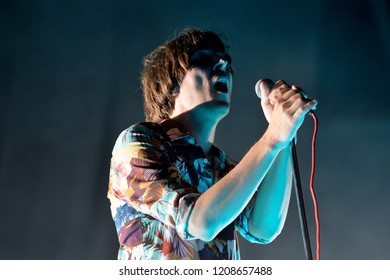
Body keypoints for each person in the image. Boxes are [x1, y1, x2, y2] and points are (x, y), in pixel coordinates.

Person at [107, 27, 317, 260]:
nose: (222, 64)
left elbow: (263, 227)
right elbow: (200, 222)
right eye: (203, 59)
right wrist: (274, 137)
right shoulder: (137, 143)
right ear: (171, 84)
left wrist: (283, 141)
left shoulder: (221, 166)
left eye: (227, 62)